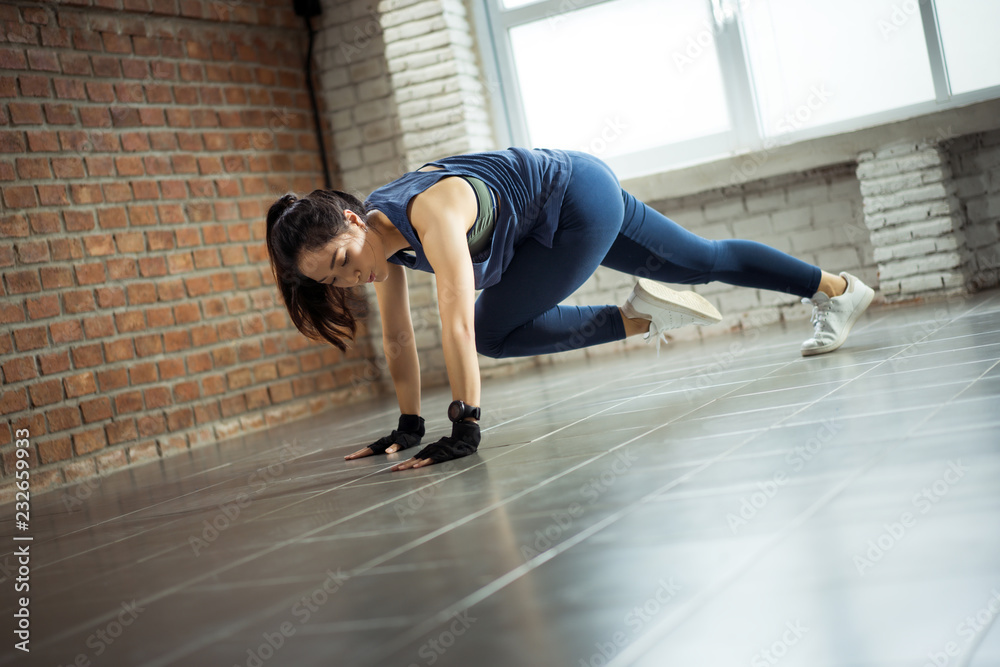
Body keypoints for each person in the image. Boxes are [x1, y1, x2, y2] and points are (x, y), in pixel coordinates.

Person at [265, 148, 874, 470]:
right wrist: (407, 425)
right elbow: (398, 336)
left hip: (575, 205)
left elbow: (453, 316)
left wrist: (465, 425)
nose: (350, 278)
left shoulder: (427, 213)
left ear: (350, 220)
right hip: (579, 182)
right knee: (701, 260)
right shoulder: (381, 243)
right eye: (333, 281)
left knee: (489, 331)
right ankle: (841, 292)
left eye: (343, 261)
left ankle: (638, 316)